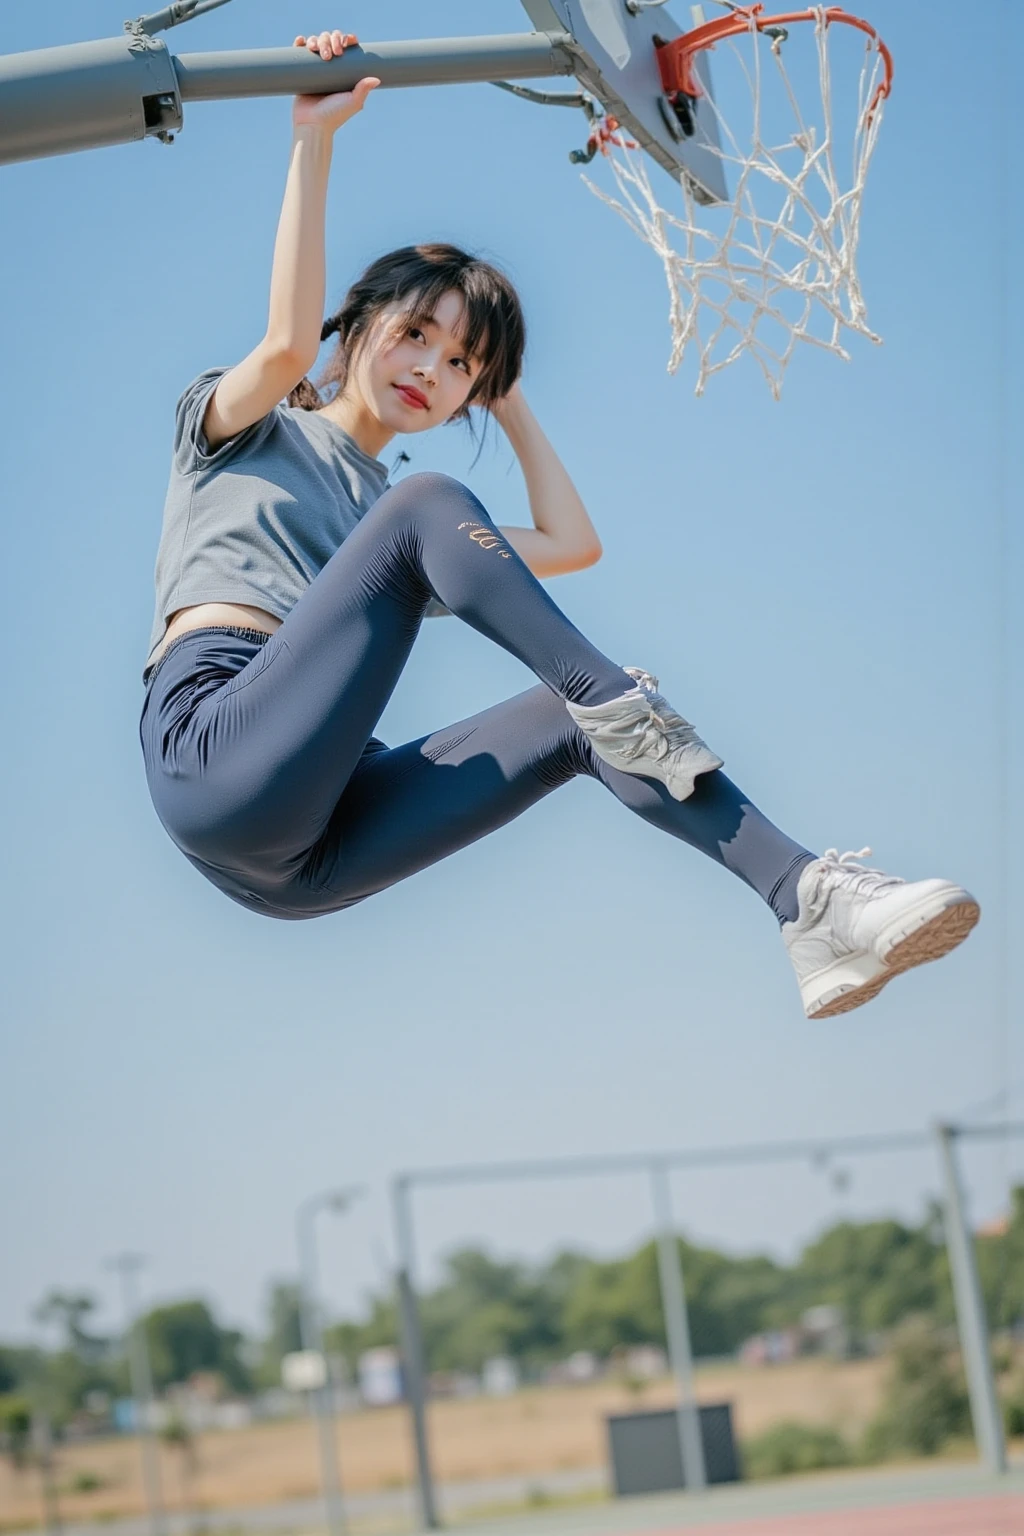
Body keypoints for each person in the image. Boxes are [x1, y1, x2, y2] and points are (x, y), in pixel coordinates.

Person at [140, 28, 979, 1019]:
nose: (431, 371)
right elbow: (284, 347)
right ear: (359, 322)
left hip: (308, 856)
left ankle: (806, 901)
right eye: (415, 335)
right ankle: (619, 706)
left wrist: (507, 397)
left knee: (566, 720)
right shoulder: (237, 430)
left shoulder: (399, 537)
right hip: (213, 749)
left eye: (460, 365)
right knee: (439, 518)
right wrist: (312, 141)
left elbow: (573, 543)